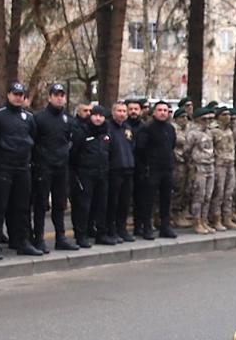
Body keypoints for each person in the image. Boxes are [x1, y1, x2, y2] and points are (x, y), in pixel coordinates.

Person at [0, 81, 41, 257]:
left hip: (22, 167)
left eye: (21, 95)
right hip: (2, 166)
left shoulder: (28, 117)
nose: (18, 98)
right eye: (15, 94)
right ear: (8, 95)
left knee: (22, 207)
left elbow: (32, 137)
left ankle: (22, 241)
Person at [31, 83, 77, 252]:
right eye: (56, 95)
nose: (59, 98)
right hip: (44, 166)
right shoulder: (39, 118)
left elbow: (69, 140)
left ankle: (61, 237)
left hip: (61, 167)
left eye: (62, 95)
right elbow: (33, 140)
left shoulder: (67, 118)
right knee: (41, 204)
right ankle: (39, 238)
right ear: (49, 97)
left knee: (60, 203)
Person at [133, 99, 177, 238]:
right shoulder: (146, 128)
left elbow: (172, 146)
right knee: (148, 200)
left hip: (167, 169)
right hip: (151, 169)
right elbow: (140, 149)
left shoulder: (170, 128)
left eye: (165, 111)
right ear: (154, 112)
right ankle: (146, 227)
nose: (163, 113)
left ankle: (165, 227)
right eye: (160, 110)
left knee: (166, 199)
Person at [69, 104, 111, 247]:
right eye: (95, 115)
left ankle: (101, 234)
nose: (98, 118)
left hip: (102, 173)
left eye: (101, 115)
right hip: (85, 173)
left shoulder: (106, 132)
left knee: (101, 205)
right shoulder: (82, 131)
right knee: (83, 206)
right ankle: (81, 236)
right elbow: (73, 153)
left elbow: (109, 152)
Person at [106, 101, 135, 243]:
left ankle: (122, 229)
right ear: (113, 112)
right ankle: (111, 230)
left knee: (124, 202)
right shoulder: (108, 127)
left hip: (128, 168)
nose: (122, 114)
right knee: (113, 202)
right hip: (114, 170)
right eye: (119, 111)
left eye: (124, 111)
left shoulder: (127, 128)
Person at [186, 107, 216, 234]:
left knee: (208, 195)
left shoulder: (210, 132)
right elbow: (187, 150)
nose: (207, 122)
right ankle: (197, 221)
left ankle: (204, 220)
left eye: (210, 119)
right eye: (204, 119)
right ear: (198, 120)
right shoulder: (193, 133)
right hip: (199, 166)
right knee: (199, 195)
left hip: (210, 165)